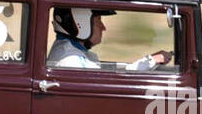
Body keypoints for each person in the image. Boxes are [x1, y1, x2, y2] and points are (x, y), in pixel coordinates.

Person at [46, 7, 174, 70]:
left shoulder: (68, 51)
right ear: (80, 23)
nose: (103, 28)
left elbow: (106, 74)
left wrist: (150, 61)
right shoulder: (70, 59)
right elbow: (112, 82)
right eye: (98, 21)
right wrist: (150, 61)